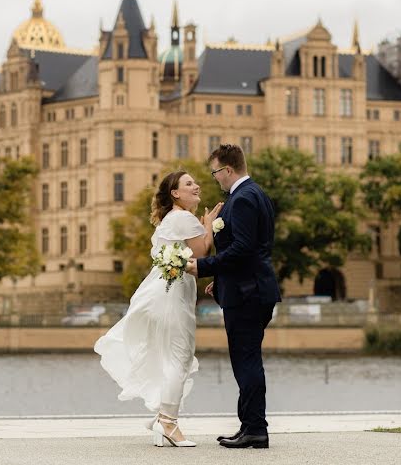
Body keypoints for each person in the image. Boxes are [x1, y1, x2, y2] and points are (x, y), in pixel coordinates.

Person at [94, 171, 222, 448]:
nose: (196, 185)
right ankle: (168, 422)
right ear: (175, 193)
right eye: (189, 184)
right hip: (172, 296)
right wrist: (209, 225)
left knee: (172, 356)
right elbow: (201, 253)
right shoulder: (183, 218)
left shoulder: (170, 219)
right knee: (180, 356)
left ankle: (162, 416)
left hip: (161, 292)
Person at [186, 144, 282, 449]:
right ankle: (250, 426)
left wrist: (201, 266)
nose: (215, 178)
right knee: (247, 358)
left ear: (228, 169)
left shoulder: (241, 199)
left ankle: (256, 428)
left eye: (215, 172)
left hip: (247, 293)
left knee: (246, 360)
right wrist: (221, 278)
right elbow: (254, 249)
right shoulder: (258, 194)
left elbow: (242, 249)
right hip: (251, 287)